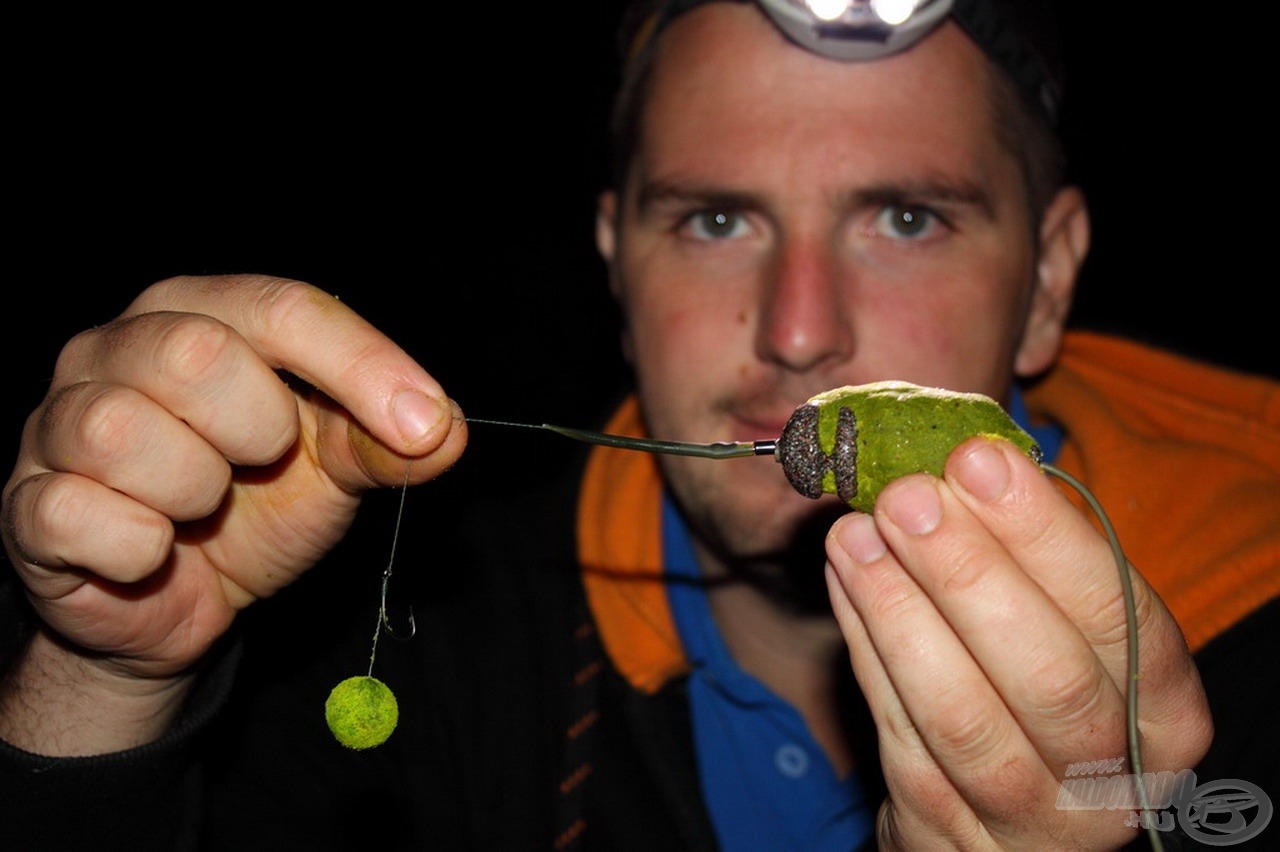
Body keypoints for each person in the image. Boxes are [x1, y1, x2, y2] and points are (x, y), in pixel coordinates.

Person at [1, 1, 1276, 850]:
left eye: (904, 219)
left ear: (1047, 278)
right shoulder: (418, 631)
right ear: (616, 258)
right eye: (715, 220)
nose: (794, 331)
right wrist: (109, 685)